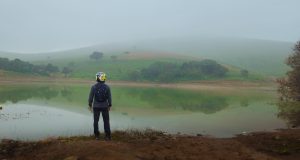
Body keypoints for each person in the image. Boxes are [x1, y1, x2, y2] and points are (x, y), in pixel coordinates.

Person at [88, 72, 112, 140]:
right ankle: (107, 136)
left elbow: (91, 97)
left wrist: (90, 104)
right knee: (106, 121)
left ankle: (97, 136)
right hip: (105, 106)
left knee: (96, 121)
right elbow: (109, 97)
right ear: (104, 78)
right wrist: (110, 105)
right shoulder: (107, 87)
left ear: (97, 78)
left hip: (96, 106)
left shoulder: (93, 87)